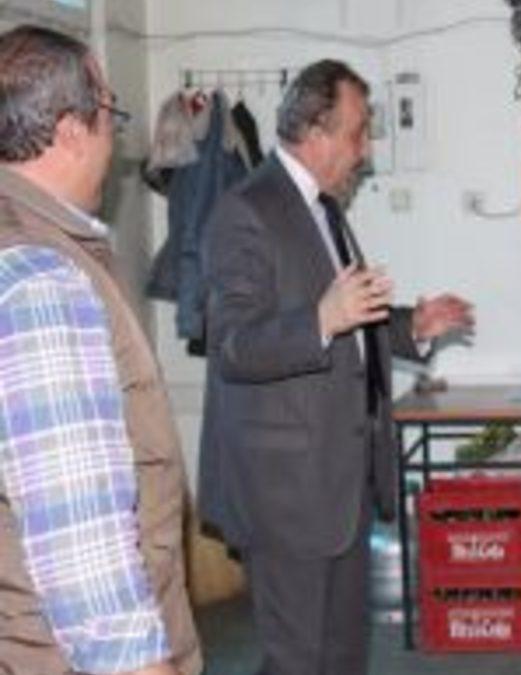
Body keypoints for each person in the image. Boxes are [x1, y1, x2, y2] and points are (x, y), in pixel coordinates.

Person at [198, 60, 472, 675]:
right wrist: (322, 318)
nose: (365, 149)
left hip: (341, 481)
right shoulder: (245, 210)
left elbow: (349, 322)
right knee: (298, 660)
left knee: (343, 655)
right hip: (285, 490)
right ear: (315, 132)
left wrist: (413, 326)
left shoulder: (323, 208)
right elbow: (235, 346)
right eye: (357, 132)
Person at [0, 25, 200, 675]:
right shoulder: (41, 281)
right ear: (69, 131)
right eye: (110, 112)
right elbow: (81, 548)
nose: (115, 137)